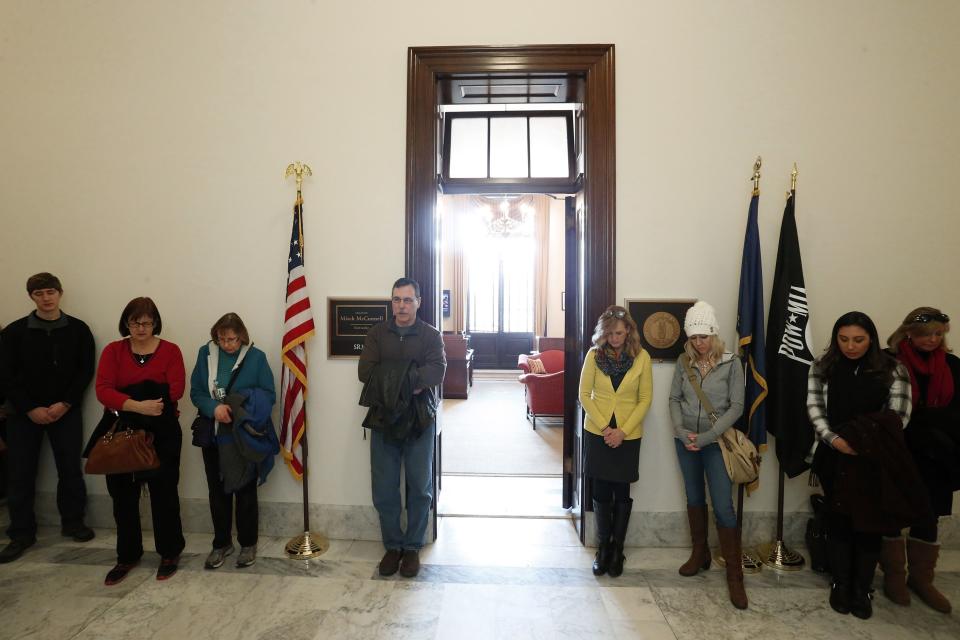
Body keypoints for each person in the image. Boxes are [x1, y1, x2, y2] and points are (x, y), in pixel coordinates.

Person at [808, 311, 918, 620]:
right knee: (839, 522)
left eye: (858, 340)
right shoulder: (822, 367)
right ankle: (841, 585)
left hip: (875, 458)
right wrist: (835, 440)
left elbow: (899, 416)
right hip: (834, 455)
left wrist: (865, 443)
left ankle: (862, 588)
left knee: (869, 525)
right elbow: (815, 408)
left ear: (870, 338)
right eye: (843, 340)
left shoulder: (893, 369)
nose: (850, 347)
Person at [88, 297, 186, 585]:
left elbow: (175, 390)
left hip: (162, 431)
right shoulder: (113, 351)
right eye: (134, 322)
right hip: (120, 432)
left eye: (146, 322)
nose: (141, 328)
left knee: (164, 495)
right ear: (126, 323)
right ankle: (127, 556)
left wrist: (126, 397)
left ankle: (169, 552)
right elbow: (103, 390)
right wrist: (138, 404)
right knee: (122, 498)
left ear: (155, 322)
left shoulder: (170, 351)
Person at [0, 273, 96, 564]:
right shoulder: (14, 332)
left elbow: (85, 370)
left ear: (60, 293)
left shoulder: (78, 330)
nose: (46, 298)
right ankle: (21, 532)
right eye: (39, 293)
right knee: (21, 473)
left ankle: (73, 522)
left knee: (69, 468)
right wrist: (30, 408)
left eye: (50, 292)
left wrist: (65, 403)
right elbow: (5, 375)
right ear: (31, 297)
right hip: (23, 414)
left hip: (65, 411)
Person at [358, 277, 446, 578]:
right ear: (391, 301)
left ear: (418, 302)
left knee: (420, 487)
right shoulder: (376, 333)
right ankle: (393, 546)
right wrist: (410, 377)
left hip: (420, 420)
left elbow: (437, 370)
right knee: (384, 487)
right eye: (397, 299)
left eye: (408, 300)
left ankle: (412, 548)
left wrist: (395, 379)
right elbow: (365, 372)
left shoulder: (431, 335)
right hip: (383, 419)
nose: (402, 305)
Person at [668, 301, 747, 609]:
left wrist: (706, 437)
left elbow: (737, 407)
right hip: (685, 441)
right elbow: (674, 398)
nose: (699, 343)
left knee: (724, 506)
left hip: (715, 444)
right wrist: (679, 429)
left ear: (714, 335)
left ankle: (734, 574)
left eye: (704, 336)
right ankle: (699, 553)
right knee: (694, 498)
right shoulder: (682, 361)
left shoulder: (732, 363)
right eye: (694, 338)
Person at [879, 307, 958, 613]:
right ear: (909, 332)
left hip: (937, 453)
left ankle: (922, 579)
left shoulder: (952, 365)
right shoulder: (889, 362)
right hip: (899, 449)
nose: (933, 339)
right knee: (891, 511)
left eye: (939, 334)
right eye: (927, 334)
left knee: (929, 515)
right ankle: (894, 576)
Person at [190, 313, 276, 570]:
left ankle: (248, 543)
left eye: (232, 339)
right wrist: (213, 408)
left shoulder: (256, 357)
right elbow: (196, 391)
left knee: (246, 491)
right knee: (217, 491)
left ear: (242, 337)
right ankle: (221, 543)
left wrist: (240, 405)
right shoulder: (205, 354)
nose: (227, 344)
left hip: (242, 435)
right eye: (222, 339)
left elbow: (269, 394)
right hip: (214, 433)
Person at [579, 305, 652, 578]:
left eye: (619, 333)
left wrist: (622, 430)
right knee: (599, 489)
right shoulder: (593, 355)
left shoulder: (642, 358)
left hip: (628, 435)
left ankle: (617, 548)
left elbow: (645, 399)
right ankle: (602, 549)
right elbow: (585, 394)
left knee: (621, 490)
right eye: (610, 334)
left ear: (629, 331)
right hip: (598, 433)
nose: (615, 338)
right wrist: (605, 428)